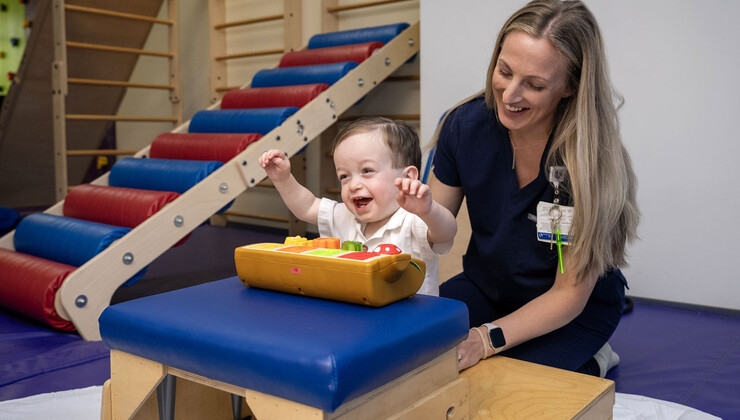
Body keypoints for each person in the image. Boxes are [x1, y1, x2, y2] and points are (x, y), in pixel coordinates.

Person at [428, 0, 639, 377]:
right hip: (486, 289)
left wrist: (486, 339)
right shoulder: (465, 126)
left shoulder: (589, 161)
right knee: (415, 349)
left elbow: (568, 293)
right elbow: (431, 232)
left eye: (535, 85)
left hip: (571, 306)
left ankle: (595, 357)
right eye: (504, 71)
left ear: (570, 86)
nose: (509, 95)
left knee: (505, 384)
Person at [259, 117, 457, 296]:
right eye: (344, 176)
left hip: (410, 324)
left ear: (407, 177)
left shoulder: (413, 220)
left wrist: (429, 211)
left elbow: (446, 233)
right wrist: (283, 179)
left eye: (367, 171)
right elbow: (307, 207)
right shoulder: (343, 215)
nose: (353, 185)